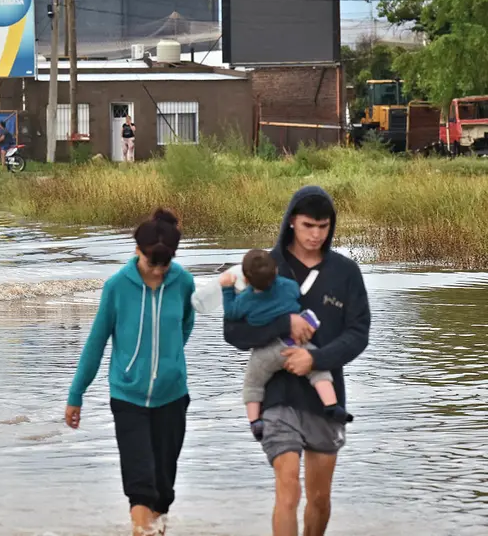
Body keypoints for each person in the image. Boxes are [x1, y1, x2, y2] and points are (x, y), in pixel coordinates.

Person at [223, 186, 370, 536]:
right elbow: (234, 334)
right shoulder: (261, 266)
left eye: (323, 226)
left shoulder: (345, 272)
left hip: (324, 399)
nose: (315, 234)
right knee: (288, 490)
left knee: (319, 500)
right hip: (277, 398)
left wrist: (315, 357)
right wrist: (281, 324)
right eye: (308, 226)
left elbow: (359, 333)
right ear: (291, 222)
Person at [65, 209, 196, 536]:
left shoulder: (183, 283)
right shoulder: (117, 287)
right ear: (137, 250)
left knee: (163, 493)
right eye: (152, 263)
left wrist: (168, 364)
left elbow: (184, 330)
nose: (157, 271)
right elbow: (96, 343)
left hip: (172, 398)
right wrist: (75, 394)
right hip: (128, 398)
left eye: (164, 265)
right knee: (141, 486)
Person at [221, 248, 348, 443]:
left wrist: (227, 289)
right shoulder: (289, 287)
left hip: (265, 352)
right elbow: (298, 294)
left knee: (253, 384)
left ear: (246, 279)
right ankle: (331, 405)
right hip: (295, 344)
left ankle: (255, 421)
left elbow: (230, 313)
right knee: (318, 371)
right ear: (277, 271)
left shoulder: (245, 300)